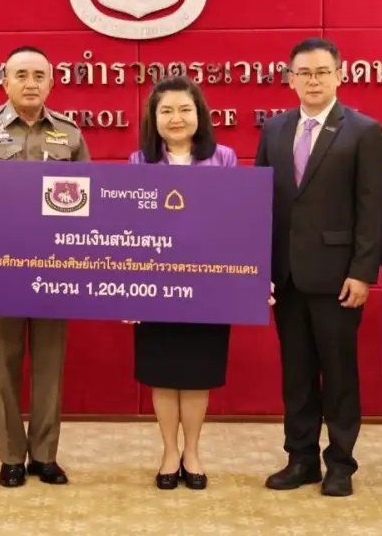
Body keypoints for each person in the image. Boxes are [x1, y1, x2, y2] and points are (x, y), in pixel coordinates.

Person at [0, 45, 90, 488]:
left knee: (49, 366)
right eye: (21, 75)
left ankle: (44, 456)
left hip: (53, 268)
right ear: (4, 82)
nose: (30, 83)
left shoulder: (69, 134)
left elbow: (90, 198)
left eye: (39, 75)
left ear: (52, 83)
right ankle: (10, 456)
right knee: (2, 366)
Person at [254, 37, 382, 497]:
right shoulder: (274, 129)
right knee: (296, 374)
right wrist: (258, 267)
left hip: (339, 277)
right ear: (291, 79)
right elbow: (260, 203)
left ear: (339, 75)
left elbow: (373, 208)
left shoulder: (363, 131)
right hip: (285, 275)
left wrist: (363, 272)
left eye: (321, 72)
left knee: (338, 374)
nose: (313, 81)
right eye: (304, 73)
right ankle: (301, 458)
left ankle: (341, 463)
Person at [126, 76, 273, 491]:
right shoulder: (139, 162)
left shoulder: (223, 158)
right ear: (154, 119)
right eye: (166, 111)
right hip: (155, 285)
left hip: (208, 285)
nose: (176, 118)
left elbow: (239, 220)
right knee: (162, 372)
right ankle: (168, 452)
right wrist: (128, 288)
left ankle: (192, 451)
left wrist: (251, 277)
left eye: (184, 109)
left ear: (199, 115)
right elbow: (127, 227)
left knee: (196, 372)